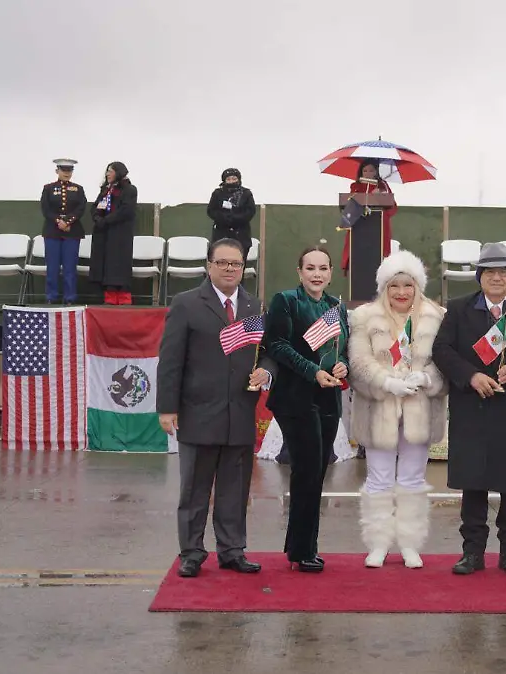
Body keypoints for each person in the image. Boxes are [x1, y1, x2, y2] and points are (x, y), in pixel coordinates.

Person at [432, 242, 506, 577]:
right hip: (472, 409)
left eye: (503, 272)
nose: (497, 278)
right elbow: (442, 350)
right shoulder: (458, 310)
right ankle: (472, 553)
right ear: (479, 276)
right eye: (490, 272)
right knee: (474, 484)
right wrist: (470, 376)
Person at [157, 238, 277, 577]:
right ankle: (192, 552)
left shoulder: (254, 306)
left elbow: (267, 350)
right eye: (222, 262)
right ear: (208, 265)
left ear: (244, 268)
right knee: (194, 490)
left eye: (235, 264)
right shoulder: (186, 304)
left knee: (234, 491)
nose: (229, 269)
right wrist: (167, 408)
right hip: (198, 413)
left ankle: (232, 550)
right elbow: (170, 361)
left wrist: (266, 369)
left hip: (239, 412)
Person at [348, 250, 447, 569]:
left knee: (412, 479)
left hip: (419, 411)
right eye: (394, 286)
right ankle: (378, 544)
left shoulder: (437, 315)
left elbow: (445, 364)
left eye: (408, 285)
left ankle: (409, 544)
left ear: (418, 286)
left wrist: (427, 378)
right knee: (377, 480)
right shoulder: (364, 317)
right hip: (379, 412)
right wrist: (386, 382)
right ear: (383, 287)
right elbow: (359, 363)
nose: (401, 292)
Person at [263, 246, 349, 572]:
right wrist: (313, 371)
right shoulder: (285, 300)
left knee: (317, 473)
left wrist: (342, 366)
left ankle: (301, 547)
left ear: (330, 273)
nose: (317, 274)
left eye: (323, 268)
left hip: (329, 398)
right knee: (307, 471)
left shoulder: (335, 308)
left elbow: (344, 350)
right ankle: (303, 550)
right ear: (299, 271)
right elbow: (278, 345)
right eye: (310, 268)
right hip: (295, 398)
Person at [38, 158, 88, 304]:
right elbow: (45, 209)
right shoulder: (48, 188)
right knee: (52, 267)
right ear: (57, 171)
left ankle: (70, 297)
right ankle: (51, 297)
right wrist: (58, 221)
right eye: (63, 170)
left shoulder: (78, 189)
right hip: (52, 232)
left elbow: (81, 207)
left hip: (72, 232)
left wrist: (67, 221)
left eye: (69, 170)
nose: (67, 173)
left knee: (70, 267)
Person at [89, 161, 137, 305]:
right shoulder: (105, 190)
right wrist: (97, 218)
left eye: (111, 171)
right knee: (106, 265)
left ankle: (123, 298)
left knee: (119, 265)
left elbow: (126, 210)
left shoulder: (130, 189)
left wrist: (106, 220)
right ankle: (109, 297)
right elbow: (95, 207)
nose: (107, 174)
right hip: (104, 234)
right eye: (107, 171)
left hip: (120, 234)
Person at [340, 160, 397, 274]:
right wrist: (365, 197)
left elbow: (392, 206)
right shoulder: (356, 186)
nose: (367, 173)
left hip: (378, 228)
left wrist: (380, 196)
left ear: (376, 172)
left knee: (377, 262)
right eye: (364, 170)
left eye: (371, 170)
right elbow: (349, 205)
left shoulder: (383, 186)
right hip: (359, 228)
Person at [206, 168, 257, 256]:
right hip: (221, 233)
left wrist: (235, 218)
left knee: (239, 262)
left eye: (234, 178)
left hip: (241, 234)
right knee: (221, 260)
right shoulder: (217, 193)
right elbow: (211, 210)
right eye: (228, 179)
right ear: (224, 180)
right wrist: (223, 218)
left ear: (239, 179)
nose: (231, 181)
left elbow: (250, 211)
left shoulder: (246, 193)